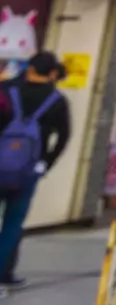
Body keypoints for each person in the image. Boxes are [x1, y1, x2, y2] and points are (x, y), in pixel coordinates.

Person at [0, 52, 71, 289]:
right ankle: (3, 273)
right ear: (52, 73)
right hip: (28, 169)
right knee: (13, 223)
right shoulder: (57, 100)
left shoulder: (6, 91)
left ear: (28, 68)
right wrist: (45, 163)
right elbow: (63, 137)